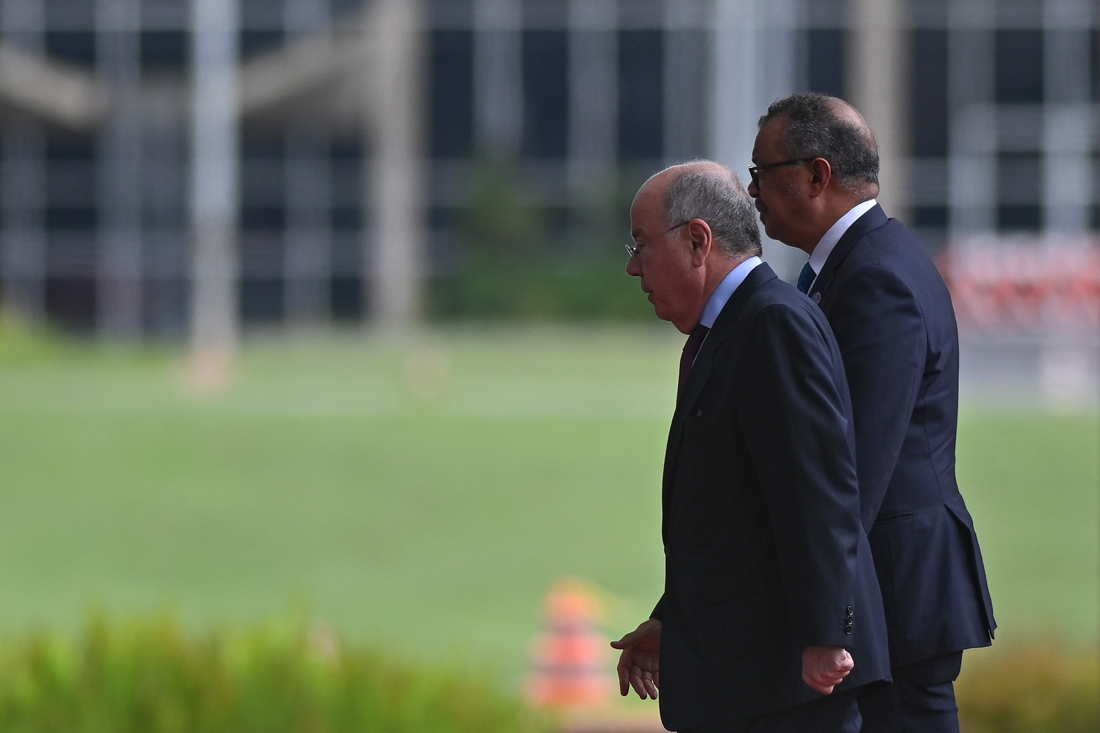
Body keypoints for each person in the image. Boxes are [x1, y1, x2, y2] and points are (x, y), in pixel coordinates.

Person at [747, 93, 996, 733]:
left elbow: (853, 464)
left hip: (895, 588)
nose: (752, 193)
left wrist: (824, 614)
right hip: (888, 581)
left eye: (762, 174)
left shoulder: (875, 276)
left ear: (816, 175)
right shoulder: (859, 263)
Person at [611, 161, 889, 733]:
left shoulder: (771, 324)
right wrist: (675, 622)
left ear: (697, 240)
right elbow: (736, 516)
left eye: (641, 244)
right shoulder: (733, 329)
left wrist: (824, 635)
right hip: (748, 674)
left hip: (788, 685)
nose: (633, 267)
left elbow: (818, 489)